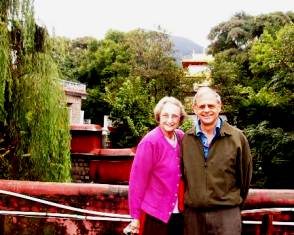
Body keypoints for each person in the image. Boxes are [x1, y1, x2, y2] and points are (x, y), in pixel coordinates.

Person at [181, 86, 252, 235]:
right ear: (195, 109)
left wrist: (232, 205)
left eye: (211, 105)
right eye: (202, 106)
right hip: (193, 217)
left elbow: (245, 178)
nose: (206, 110)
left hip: (226, 215)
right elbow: (183, 176)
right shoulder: (186, 140)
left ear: (219, 107)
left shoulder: (237, 138)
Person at [126, 96, 187, 235]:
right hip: (155, 214)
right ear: (158, 116)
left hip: (178, 213)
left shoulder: (181, 137)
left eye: (174, 116)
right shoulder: (150, 142)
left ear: (180, 119)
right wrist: (135, 218)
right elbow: (137, 181)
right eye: (165, 115)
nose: (170, 120)